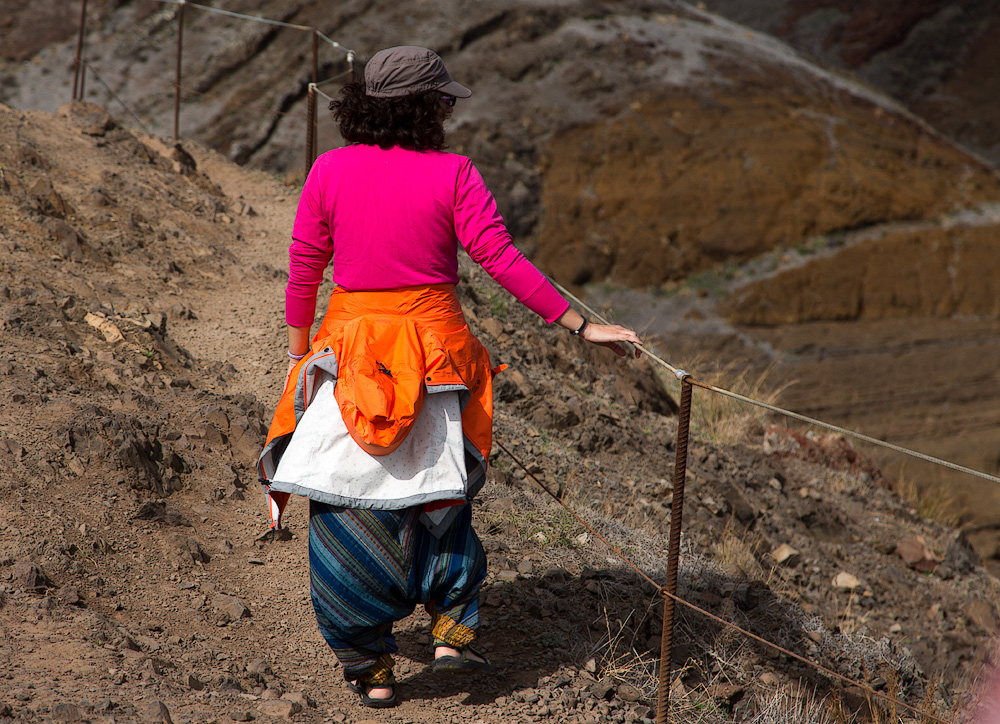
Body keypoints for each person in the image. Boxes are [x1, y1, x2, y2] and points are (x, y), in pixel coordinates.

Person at [257, 46, 643, 708]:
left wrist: (300, 353)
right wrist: (579, 326)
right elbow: (500, 257)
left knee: (342, 502)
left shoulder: (329, 170)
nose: (448, 110)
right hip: (435, 360)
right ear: (427, 109)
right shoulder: (455, 174)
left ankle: (370, 666)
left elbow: (303, 268)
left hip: (350, 357)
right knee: (440, 492)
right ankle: (450, 626)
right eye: (444, 101)